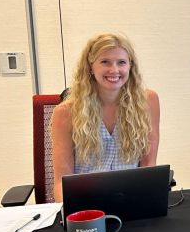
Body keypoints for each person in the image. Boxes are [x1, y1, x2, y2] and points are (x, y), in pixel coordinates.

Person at [51, 33, 160, 202]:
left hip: (131, 201)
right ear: (90, 67)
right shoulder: (66, 112)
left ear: (130, 66)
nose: (114, 70)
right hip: (85, 204)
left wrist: (148, 203)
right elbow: (61, 182)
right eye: (105, 62)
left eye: (121, 62)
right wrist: (71, 213)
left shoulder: (147, 101)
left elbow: (148, 166)